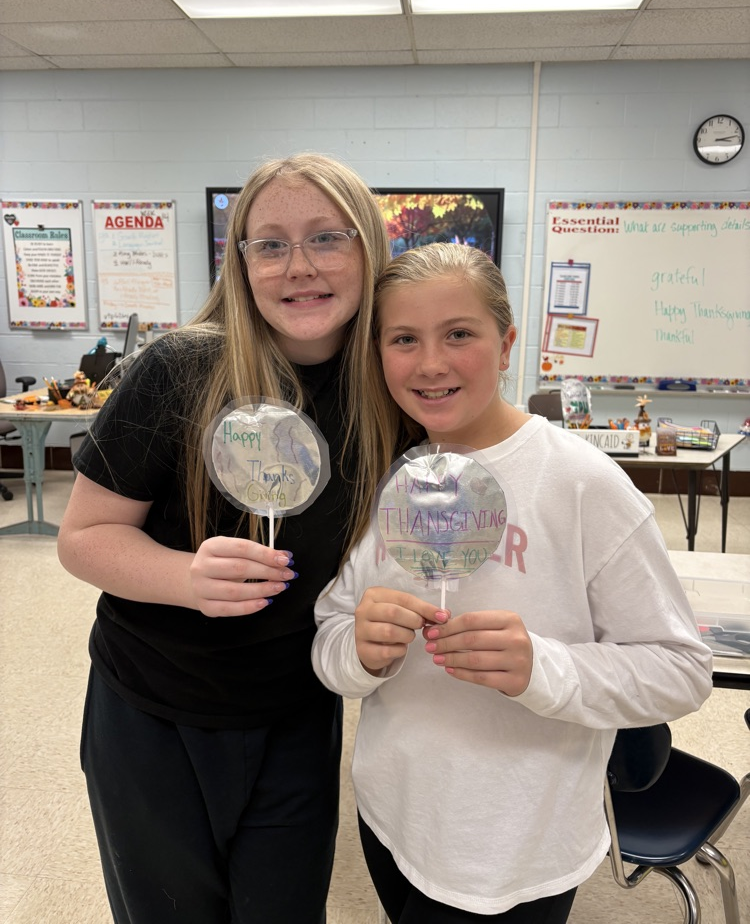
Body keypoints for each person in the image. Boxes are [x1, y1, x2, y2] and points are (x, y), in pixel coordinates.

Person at [312, 243, 713, 924]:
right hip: (392, 815)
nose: (431, 363)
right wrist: (360, 649)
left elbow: (681, 671)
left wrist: (542, 666)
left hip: (514, 849)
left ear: (507, 345)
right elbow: (332, 636)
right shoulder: (390, 476)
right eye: (404, 339)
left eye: (460, 334)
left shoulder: (581, 484)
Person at [57, 153, 401, 924]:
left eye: (326, 238)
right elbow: (83, 537)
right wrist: (184, 577)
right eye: (269, 244)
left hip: (294, 710)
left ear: (369, 250)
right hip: (153, 707)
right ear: (240, 262)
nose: (298, 266)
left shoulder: (390, 386)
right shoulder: (179, 369)